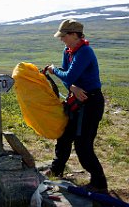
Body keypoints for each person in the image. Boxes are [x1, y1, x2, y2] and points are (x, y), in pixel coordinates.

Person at [46, 19, 108, 193]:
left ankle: (99, 183)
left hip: (91, 103)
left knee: (83, 146)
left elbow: (69, 74)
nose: (61, 39)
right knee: (65, 137)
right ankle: (56, 170)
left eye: (64, 36)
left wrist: (53, 69)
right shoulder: (68, 51)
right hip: (76, 100)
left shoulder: (85, 52)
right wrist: (72, 87)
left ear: (74, 35)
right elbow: (69, 78)